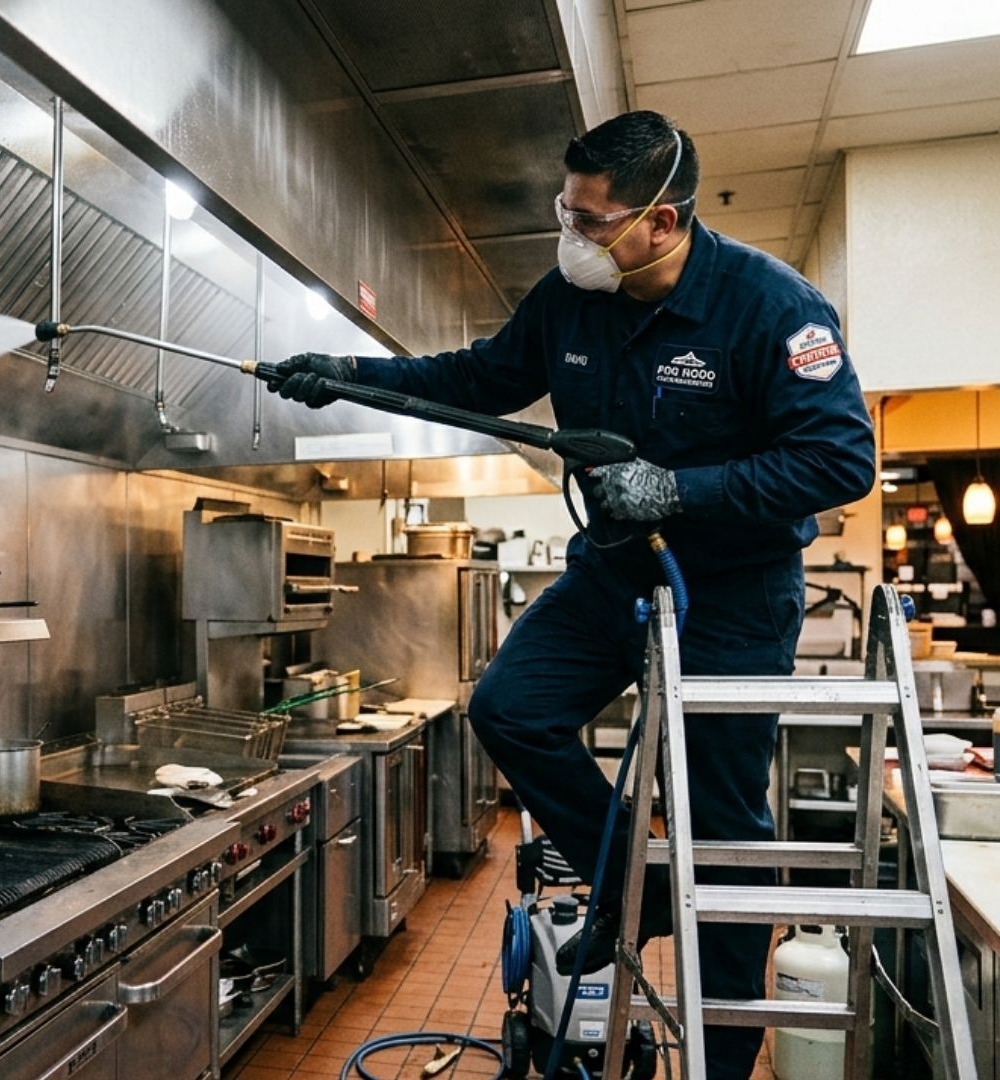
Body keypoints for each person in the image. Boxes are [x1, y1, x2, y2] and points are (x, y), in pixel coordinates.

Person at [270, 110, 875, 1079]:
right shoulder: (570, 298)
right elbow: (479, 376)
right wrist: (350, 376)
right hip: (614, 572)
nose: (571, 236)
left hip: (733, 591)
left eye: (591, 221)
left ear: (661, 221)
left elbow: (840, 461)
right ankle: (629, 883)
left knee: (720, 825)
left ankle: (723, 1058)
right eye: (567, 211)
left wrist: (682, 489)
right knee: (510, 707)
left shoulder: (772, 307)